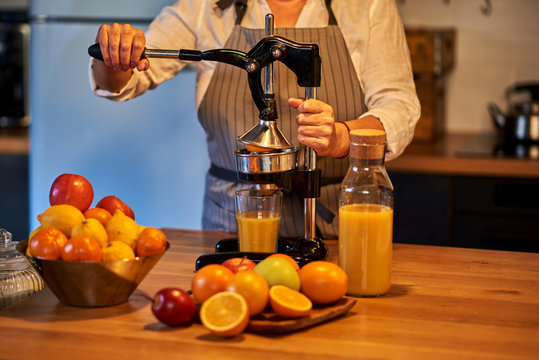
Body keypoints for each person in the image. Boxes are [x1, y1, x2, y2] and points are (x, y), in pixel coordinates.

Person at [90, 0, 420, 239]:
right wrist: (116, 53)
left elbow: (399, 105)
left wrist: (342, 137)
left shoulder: (367, 6)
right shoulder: (205, 8)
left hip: (336, 227)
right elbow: (125, 81)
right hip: (232, 222)